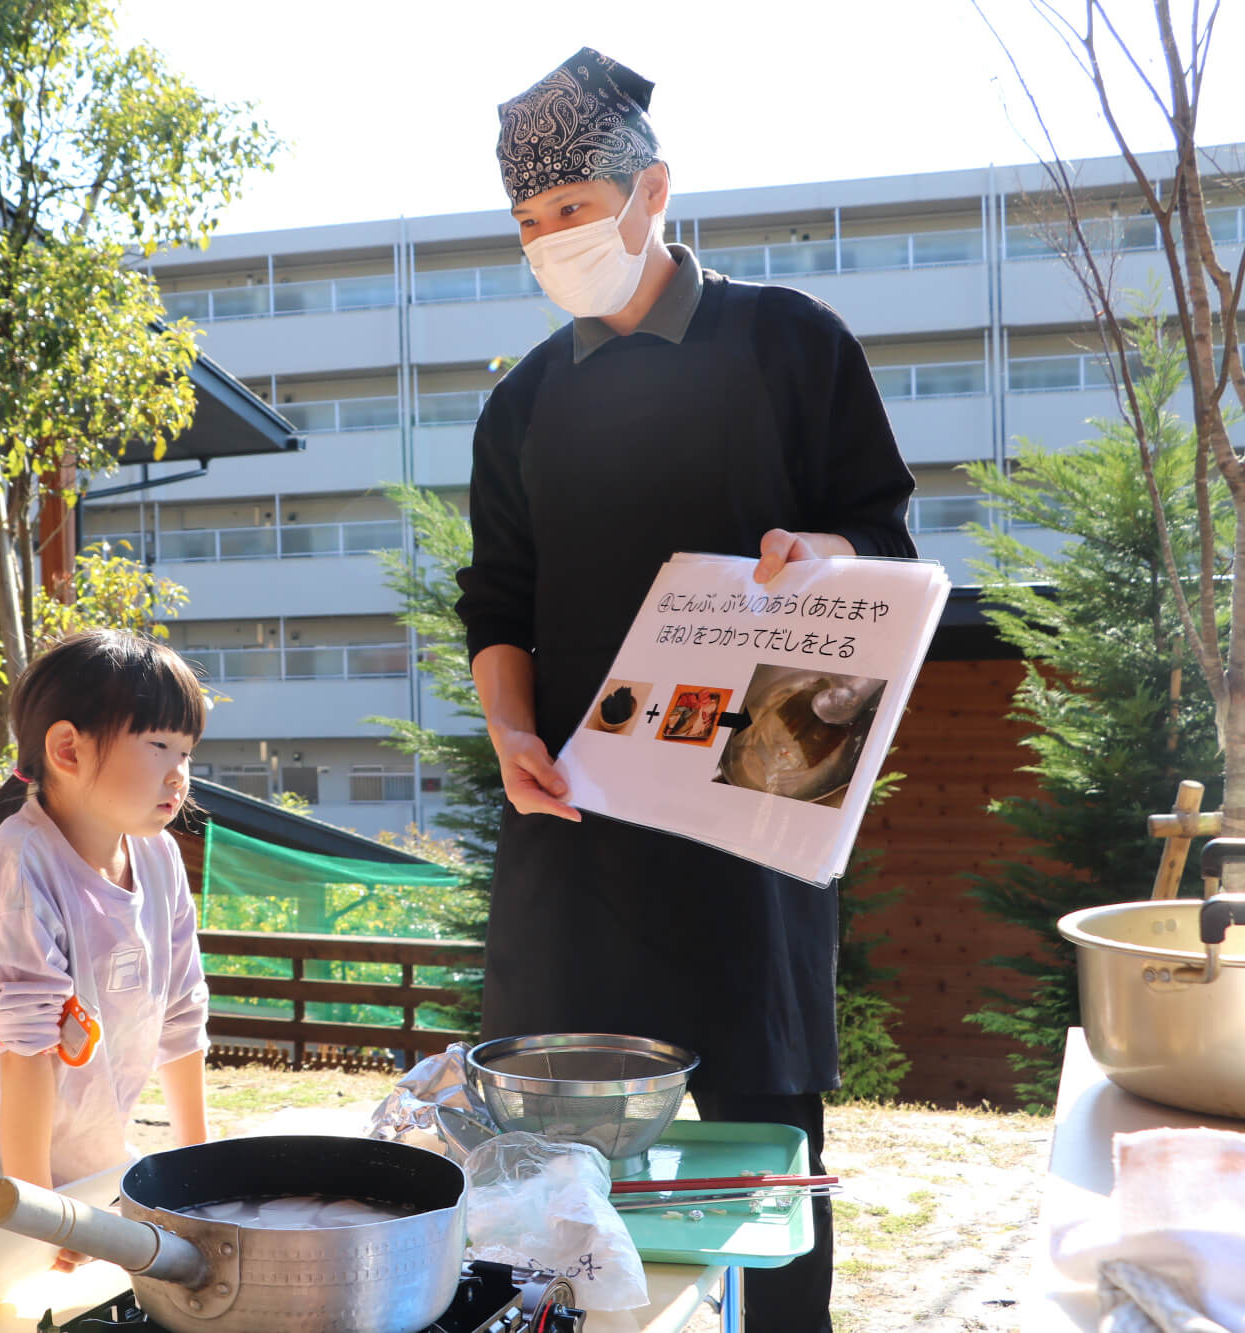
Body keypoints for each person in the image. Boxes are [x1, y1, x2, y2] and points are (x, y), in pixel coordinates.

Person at [454, 48, 917, 1333]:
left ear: (649, 189)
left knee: (766, 1147)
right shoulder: (523, 406)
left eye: (570, 211)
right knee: (548, 1176)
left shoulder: (788, 344)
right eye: (529, 223)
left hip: (753, 797)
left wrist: (815, 556)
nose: (551, 241)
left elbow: (881, 538)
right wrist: (507, 731)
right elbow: (496, 603)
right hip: (574, 823)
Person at [0, 629, 211, 1236]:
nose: (179, 775)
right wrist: (39, 1215)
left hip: (77, 1164)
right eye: (159, 745)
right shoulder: (22, 860)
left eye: (187, 753)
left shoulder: (162, 857)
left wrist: (199, 1168)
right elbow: (27, 1050)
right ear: (68, 749)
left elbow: (180, 1013)